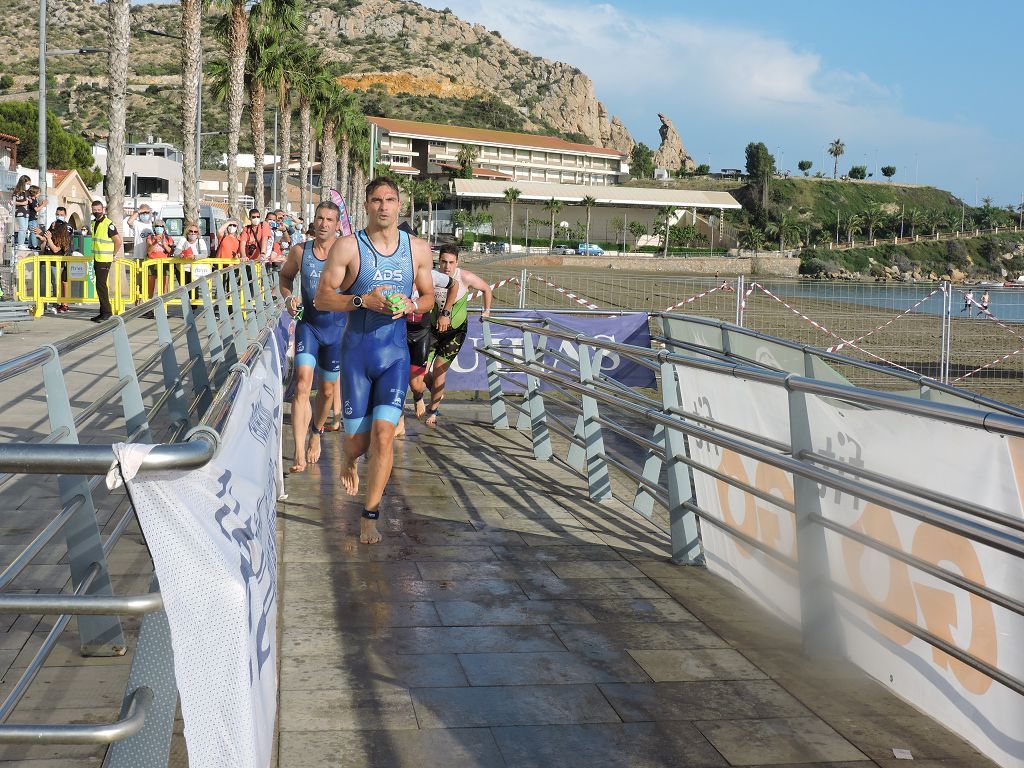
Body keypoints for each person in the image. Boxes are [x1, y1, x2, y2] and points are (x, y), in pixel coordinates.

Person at [313, 178, 435, 544]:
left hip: (394, 357)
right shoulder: (348, 247)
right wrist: (361, 301)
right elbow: (322, 299)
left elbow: (429, 296)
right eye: (377, 200)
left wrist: (414, 305)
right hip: (356, 356)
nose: (384, 206)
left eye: (390, 200)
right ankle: (350, 460)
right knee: (358, 443)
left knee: (385, 435)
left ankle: (370, 514)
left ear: (400, 205)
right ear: (366, 205)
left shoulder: (418, 249)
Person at [279, 201, 343, 473]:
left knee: (327, 392)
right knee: (303, 385)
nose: (324, 224)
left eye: (330, 219)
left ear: (337, 225)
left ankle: (316, 432)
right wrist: (289, 297)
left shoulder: (346, 253)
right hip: (309, 326)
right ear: (313, 221)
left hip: (338, 331)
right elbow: (284, 279)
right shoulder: (299, 252)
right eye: (320, 218)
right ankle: (297, 452)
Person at [423, 245, 492, 427]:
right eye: (443, 262)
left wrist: (486, 311)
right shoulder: (432, 275)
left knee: (439, 370)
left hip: (455, 332)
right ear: (438, 261)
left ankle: (433, 410)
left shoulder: (464, 277)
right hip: (433, 329)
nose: (447, 266)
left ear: (457, 263)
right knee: (421, 371)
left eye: (451, 262)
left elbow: (486, 288)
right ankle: (438, 393)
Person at [395, 266, 458, 436]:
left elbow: (455, 285)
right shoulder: (397, 272)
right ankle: (399, 424)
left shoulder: (431, 275)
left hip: (421, 334)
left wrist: (446, 312)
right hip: (399, 330)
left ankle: (420, 394)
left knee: (416, 384)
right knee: (398, 377)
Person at [89, 199, 122, 323]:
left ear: (103, 210)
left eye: (98, 210)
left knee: (101, 285)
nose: (97, 212)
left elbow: (118, 241)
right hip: (97, 259)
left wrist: (113, 254)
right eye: (94, 210)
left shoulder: (108, 224)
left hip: (105, 259)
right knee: (99, 285)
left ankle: (107, 313)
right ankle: (102, 312)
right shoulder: (94, 223)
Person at [37, 213, 72, 314]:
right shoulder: (50, 235)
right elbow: (44, 248)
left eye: (54, 224)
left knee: (56, 284)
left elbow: (56, 249)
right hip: (45, 262)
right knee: (43, 284)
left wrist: (48, 239)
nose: (52, 225)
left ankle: (56, 305)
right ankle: (42, 305)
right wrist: (42, 240)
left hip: (56, 264)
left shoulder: (63, 237)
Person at [11, 175, 31, 250]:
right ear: (23, 183)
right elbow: (12, 202)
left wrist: (30, 201)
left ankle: (22, 243)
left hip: (26, 212)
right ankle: (20, 244)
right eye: (27, 183)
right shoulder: (17, 191)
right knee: (22, 228)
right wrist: (22, 203)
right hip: (19, 212)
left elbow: (28, 200)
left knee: (25, 228)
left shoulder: (26, 192)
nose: (28, 185)